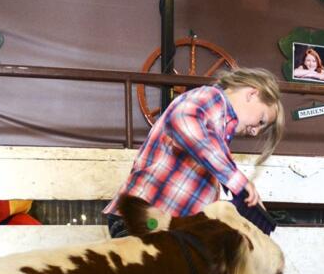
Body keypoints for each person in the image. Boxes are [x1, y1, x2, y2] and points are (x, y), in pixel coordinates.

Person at [104, 67, 283, 237]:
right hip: (145, 220)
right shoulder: (211, 98)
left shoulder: (217, 134)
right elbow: (182, 121)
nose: (255, 132)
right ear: (252, 93)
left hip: (162, 226)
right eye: (261, 121)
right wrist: (234, 178)